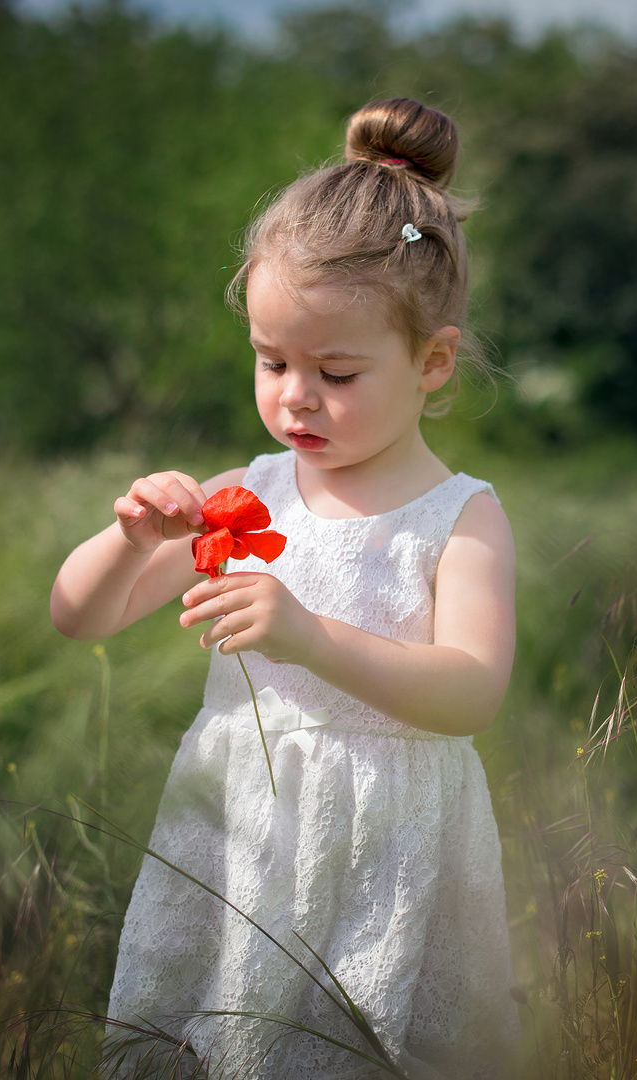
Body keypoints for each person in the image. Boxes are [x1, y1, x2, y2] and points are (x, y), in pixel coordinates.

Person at [49, 98, 520, 1079]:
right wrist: (124, 538)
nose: (295, 396)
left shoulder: (458, 515)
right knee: (223, 1042)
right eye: (271, 362)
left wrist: (310, 638)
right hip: (246, 840)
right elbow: (80, 616)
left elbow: (471, 691)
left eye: (336, 371)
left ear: (432, 362)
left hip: (391, 854)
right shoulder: (251, 497)